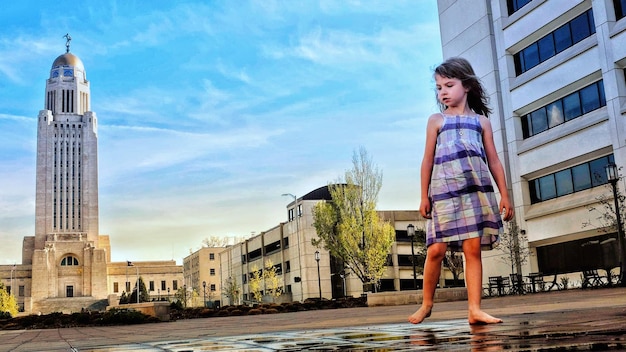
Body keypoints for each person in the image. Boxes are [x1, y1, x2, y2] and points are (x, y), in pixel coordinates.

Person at [408, 57, 514, 325]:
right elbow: (427, 161)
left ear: (466, 86)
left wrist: (505, 194)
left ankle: (475, 309)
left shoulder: (481, 123)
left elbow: (494, 160)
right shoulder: (436, 121)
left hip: (475, 195)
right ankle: (427, 304)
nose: (442, 91)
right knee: (436, 251)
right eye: (439, 87)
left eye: (448, 85)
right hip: (443, 196)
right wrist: (424, 195)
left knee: (472, 251)